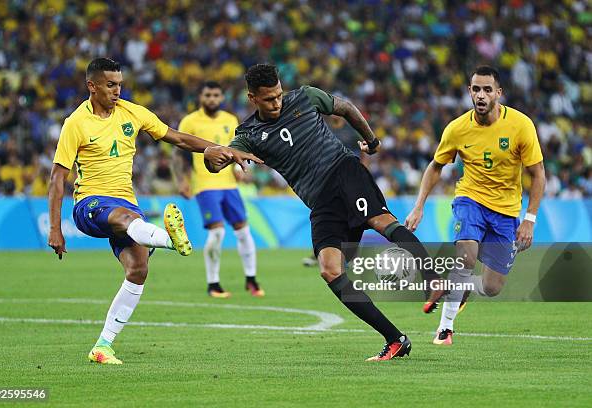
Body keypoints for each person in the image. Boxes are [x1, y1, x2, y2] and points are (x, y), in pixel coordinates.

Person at [205, 64, 442, 361]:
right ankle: (395, 339)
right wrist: (211, 156)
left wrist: (371, 141)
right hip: (319, 200)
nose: (277, 102)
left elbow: (346, 108)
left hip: (343, 171)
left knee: (381, 222)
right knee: (330, 269)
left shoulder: (305, 97)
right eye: (268, 99)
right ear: (252, 98)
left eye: (278, 95)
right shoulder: (249, 134)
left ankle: (433, 278)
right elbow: (218, 162)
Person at [48, 58, 260, 364]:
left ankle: (103, 346)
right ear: (91, 86)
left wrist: (216, 148)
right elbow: (57, 177)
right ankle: (168, 238)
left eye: (119, 84)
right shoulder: (76, 123)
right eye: (110, 85)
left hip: (126, 203)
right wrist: (54, 228)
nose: (117, 90)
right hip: (90, 203)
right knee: (127, 219)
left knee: (138, 270)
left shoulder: (132, 112)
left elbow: (175, 136)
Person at [405, 65, 545, 346]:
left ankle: (463, 288)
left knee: (492, 287)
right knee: (465, 258)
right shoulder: (457, 129)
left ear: (498, 93)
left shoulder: (520, 125)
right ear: (470, 92)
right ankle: (445, 329)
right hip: (470, 200)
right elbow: (435, 167)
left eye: (487, 90)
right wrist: (419, 205)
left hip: (506, 210)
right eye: (476, 89)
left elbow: (538, 173)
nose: (481, 95)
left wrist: (529, 219)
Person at [178, 81, 263, 298]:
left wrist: (236, 166)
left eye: (216, 95)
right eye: (208, 95)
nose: (212, 99)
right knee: (217, 232)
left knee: (243, 231)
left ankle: (251, 279)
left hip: (230, 186)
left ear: (222, 97)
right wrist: (181, 180)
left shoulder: (230, 119)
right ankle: (213, 283)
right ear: (200, 97)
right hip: (205, 186)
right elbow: (180, 154)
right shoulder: (189, 121)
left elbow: (236, 147)